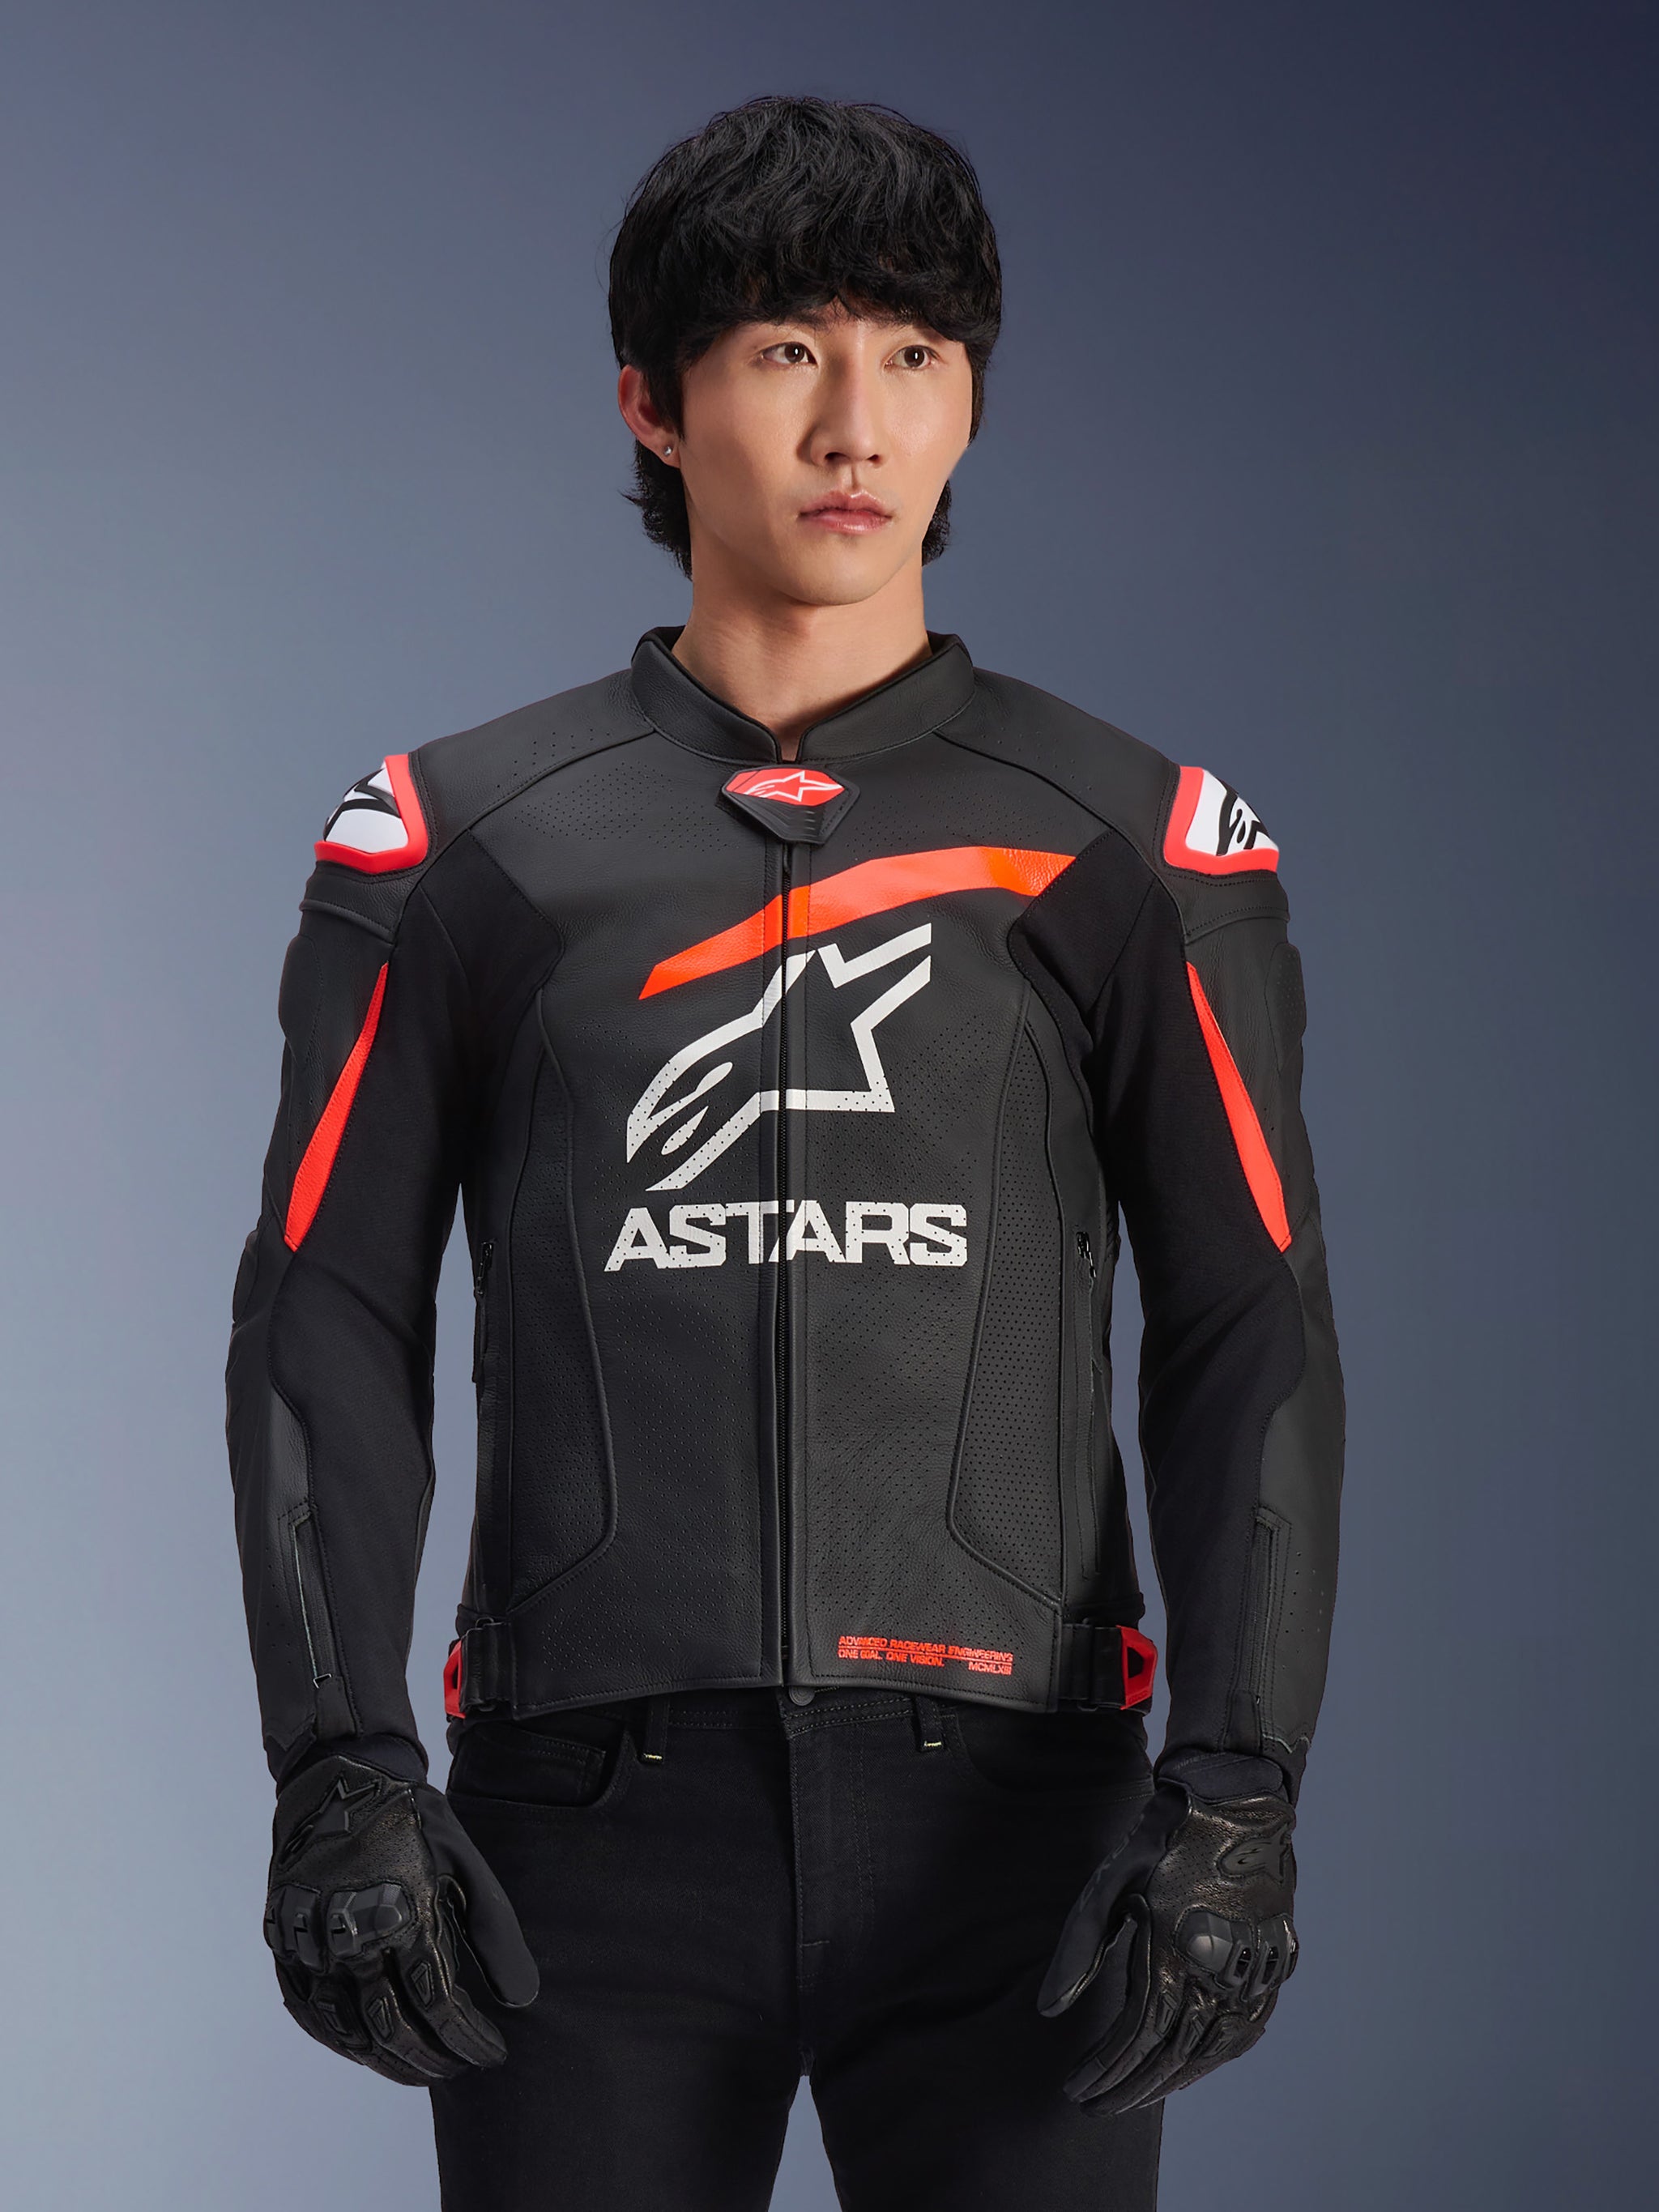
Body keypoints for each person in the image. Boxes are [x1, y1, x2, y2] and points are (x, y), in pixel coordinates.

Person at [228, 94, 1343, 2212]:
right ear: (651, 406)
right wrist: (338, 1765)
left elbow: (1247, 1325)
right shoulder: (456, 842)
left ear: (972, 397)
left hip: (1020, 1838)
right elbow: (325, 1315)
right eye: (785, 349)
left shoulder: (1134, 841)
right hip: (584, 1846)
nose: (858, 422)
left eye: (915, 352)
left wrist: (1237, 1790)